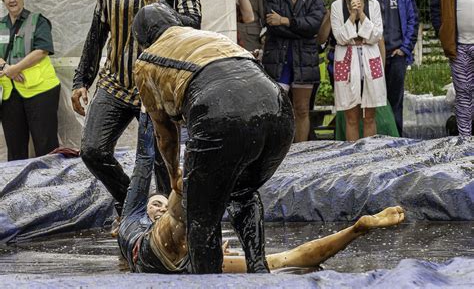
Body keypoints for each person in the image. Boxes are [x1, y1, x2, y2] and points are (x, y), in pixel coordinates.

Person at [131, 1, 294, 274]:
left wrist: (174, 175)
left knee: (201, 216)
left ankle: (209, 281)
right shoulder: (209, 36)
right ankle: (258, 269)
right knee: (243, 192)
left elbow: (166, 135)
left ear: (143, 40)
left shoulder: (146, 61)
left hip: (221, 116)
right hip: (278, 110)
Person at [70, 0, 201, 217]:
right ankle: (130, 204)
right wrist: (80, 81)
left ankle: (170, 222)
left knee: (162, 162)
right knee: (92, 150)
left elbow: (193, 27)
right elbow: (98, 29)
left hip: (159, 87)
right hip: (116, 79)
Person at [118, 141, 405, 274]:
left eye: (158, 202)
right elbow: (144, 162)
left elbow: (287, 259)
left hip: (185, 263)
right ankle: (192, 172)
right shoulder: (135, 229)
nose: (154, 206)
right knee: (176, 218)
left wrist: (355, 231)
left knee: (281, 261)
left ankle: (356, 229)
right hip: (154, 252)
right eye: (153, 204)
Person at [262, 0, 325, 142]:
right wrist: (302, 30)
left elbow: (314, 25)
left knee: (302, 109)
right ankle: (278, 151)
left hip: (304, 60)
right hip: (278, 58)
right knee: (277, 110)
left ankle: (301, 152)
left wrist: (285, 21)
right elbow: (274, 26)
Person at [0, 0, 60, 160]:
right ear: (3, 1)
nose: (12, 0)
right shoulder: (1, 24)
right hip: (10, 94)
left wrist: (15, 68)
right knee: (15, 147)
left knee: (45, 144)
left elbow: (43, 50)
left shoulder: (37, 21)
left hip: (41, 91)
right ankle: (19, 188)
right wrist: (5, 67)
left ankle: (50, 185)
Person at [367, 0, 419, 137]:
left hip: (396, 54)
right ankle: (374, 139)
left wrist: (405, 49)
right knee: (373, 101)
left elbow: (413, 19)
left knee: (395, 101)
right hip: (371, 54)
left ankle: (396, 138)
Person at [331, 0, 386, 141]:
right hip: (347, 57)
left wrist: (361, 13)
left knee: (369, 115)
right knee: (351, 117)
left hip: (369, 56)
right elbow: (340, 37)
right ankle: (353, 156)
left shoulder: (374, 5)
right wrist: (353, 15)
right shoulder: (336, 7)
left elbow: (376, 35)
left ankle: (369, 154)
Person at [431, 0, 474, 137]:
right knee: (463, 93)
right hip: (459, 47)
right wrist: (443, 33)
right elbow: (435, 8)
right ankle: (466, 140)